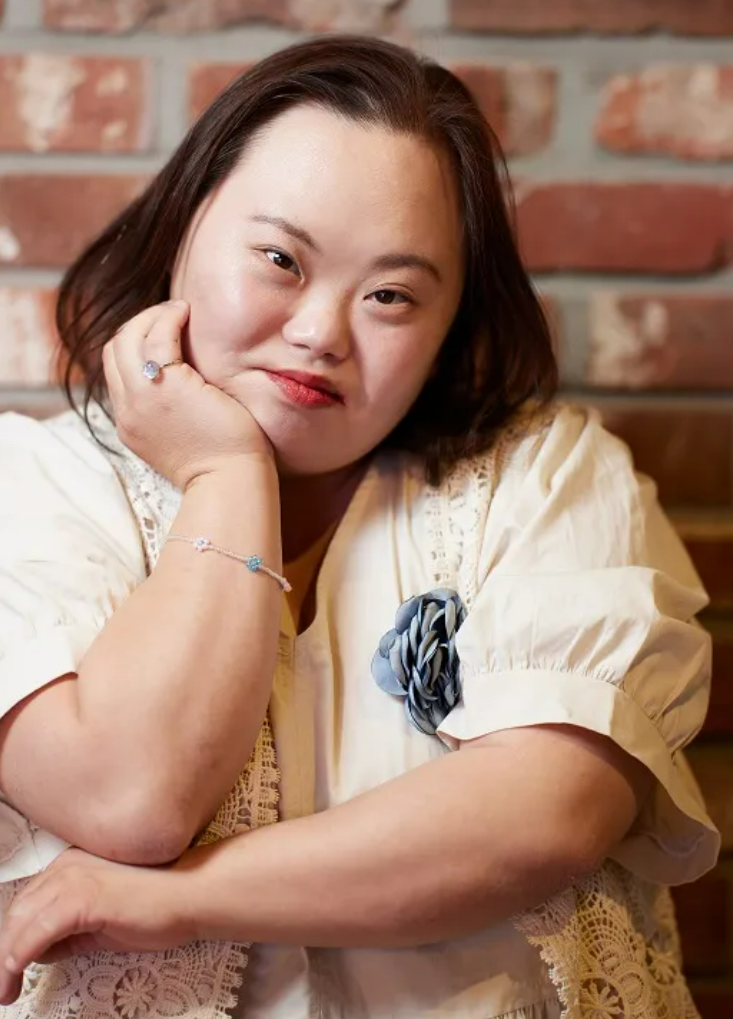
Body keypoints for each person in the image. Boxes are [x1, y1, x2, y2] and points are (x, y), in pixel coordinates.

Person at [0, 34, 719, 1019]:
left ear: (450, 323)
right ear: (182, 230)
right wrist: (225, 473)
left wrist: (181, 897)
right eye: (280, 259)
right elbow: (130, 797)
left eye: (390, 295)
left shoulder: (548, 474)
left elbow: (549, 811)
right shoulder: (33, 484)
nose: (319, 333)